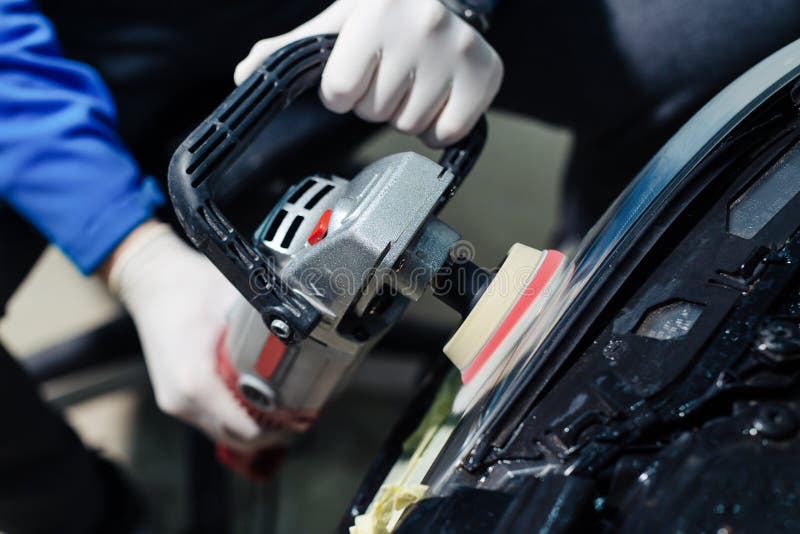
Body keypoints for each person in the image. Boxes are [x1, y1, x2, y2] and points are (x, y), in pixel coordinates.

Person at [2, 0, 799, 532]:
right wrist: (131, 251)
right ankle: (77, 511)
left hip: (352, 17)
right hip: (53, 50)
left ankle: (591, 343)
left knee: (739, 26)